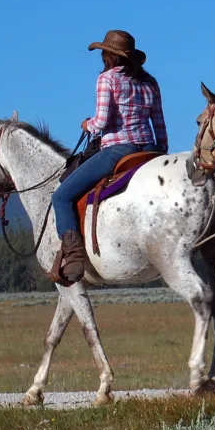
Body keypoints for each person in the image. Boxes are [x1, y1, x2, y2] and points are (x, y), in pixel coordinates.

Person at [51, 30, 168, 283]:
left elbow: (102, 122)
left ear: (110, 56)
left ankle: (73, 255)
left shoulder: (108, 79)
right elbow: (159, 123)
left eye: (104, 53)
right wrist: (161, 153)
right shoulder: (150, 82)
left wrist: (87, 125)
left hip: (118, 150)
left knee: (60, 196)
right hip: (149, 149)